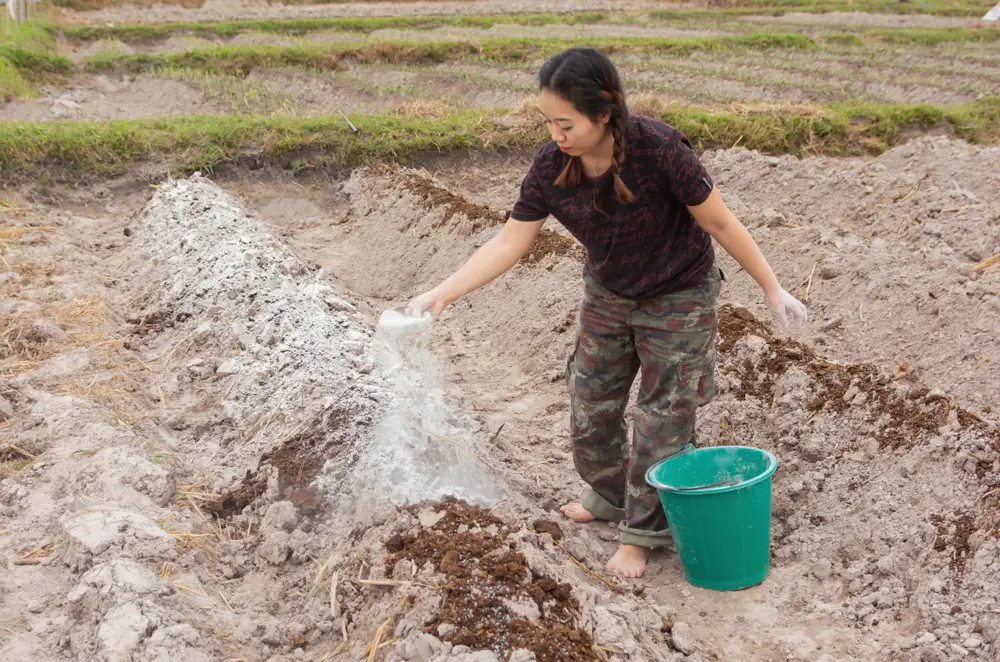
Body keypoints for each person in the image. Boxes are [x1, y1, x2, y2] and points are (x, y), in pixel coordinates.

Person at [407, 47, 807, 579]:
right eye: (548, 121)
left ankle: (643, 532)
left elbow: (720, 223)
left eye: (565, 122)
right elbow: (511, 239)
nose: (555, 134)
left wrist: (772, 288)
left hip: (678, 296)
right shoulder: (552, 165)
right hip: (609, 293)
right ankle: (610, 495)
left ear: (604, 112)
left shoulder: (660, 150)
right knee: (590, 402)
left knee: (663, 417)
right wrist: (445, 291)